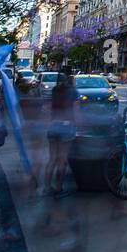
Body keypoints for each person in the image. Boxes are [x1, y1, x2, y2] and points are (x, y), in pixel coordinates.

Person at [42, 68, 77, 197]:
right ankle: (58, 188)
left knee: (52, 159)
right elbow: (76, 111)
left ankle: (46, 188)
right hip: (66, 126)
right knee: (62, 160)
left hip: (53, 126)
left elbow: (48, 108)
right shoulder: (72, 91)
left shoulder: (54, 90)